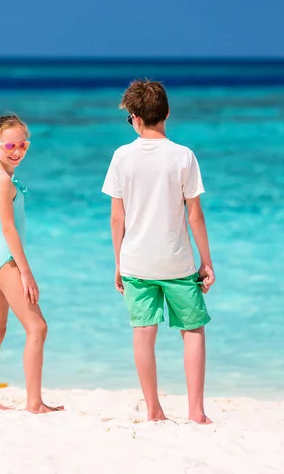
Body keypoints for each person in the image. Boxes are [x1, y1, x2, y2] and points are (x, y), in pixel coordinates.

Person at [102, 80, 215, 424]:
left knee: (143, 332)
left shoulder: (122, 156)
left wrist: (118, 262)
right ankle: (196, 412)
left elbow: (117, 216)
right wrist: (206, 261)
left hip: (136, 261)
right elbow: (194, 214)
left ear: (134, 118)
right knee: (192, 331)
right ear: (167, 113)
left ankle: (154, 410)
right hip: (177, 261)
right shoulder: (183, 156)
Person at [0, 114, 63, 413]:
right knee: (37, 327)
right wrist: (26, 273)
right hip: (3, 259)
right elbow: (9, 229)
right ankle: (35, 403)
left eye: (23, 145)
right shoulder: (2, 180)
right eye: (10, 145)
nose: (17, 151)